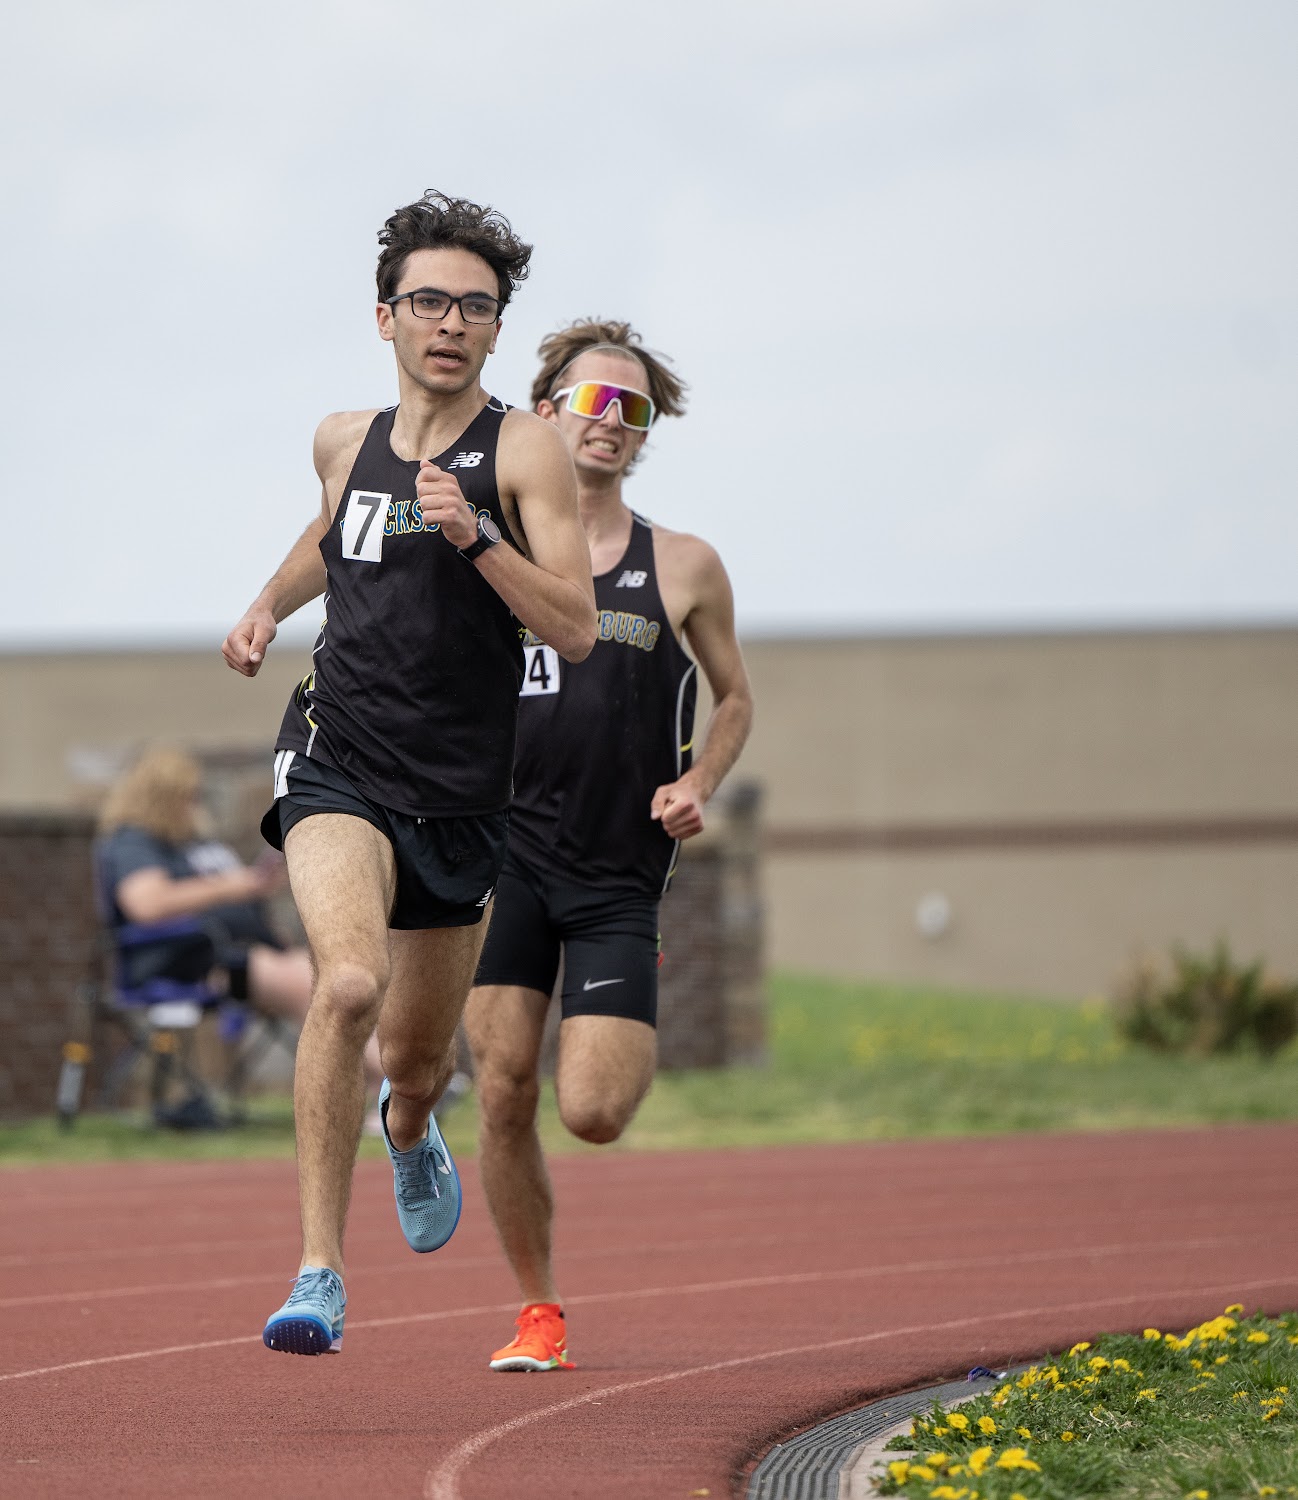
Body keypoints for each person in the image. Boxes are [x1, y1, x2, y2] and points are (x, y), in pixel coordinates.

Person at [221, 192, 596, 1357]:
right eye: (429, 301)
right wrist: (266, 604)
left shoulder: (522, 453)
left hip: (462, 794)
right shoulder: (344, 439)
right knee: (345, 987)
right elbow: (330, 530)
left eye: (474, 308)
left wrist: (477, 538)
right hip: (336, 754)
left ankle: (407, 1125)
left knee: (420, 1061)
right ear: (385, 316)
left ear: (495, 330)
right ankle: (318, 1274)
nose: (450, 323)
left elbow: (576, 626)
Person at [465, 320, 754, 1371]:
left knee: (589, 1111)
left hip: (615, 878)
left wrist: (696, 781)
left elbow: (733, 699)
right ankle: (537, 1312)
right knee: (502, 1087)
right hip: (502, 865)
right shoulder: (484, 553)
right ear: (546, 412)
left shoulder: (682, 565)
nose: (612, 422)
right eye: (593, 400)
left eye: (632, 409)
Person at [96, 746, 341, 1045]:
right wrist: (232, 886)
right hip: (181, 964)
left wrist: (255, 892)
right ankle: (372, 1071)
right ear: (161, 798)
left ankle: (373, 1070)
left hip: (234, 954)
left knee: (338, 976)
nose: (194, 807)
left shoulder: (188, 843)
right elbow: (148, 904)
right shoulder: (133, 842)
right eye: (188, 797)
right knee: (311, 984)